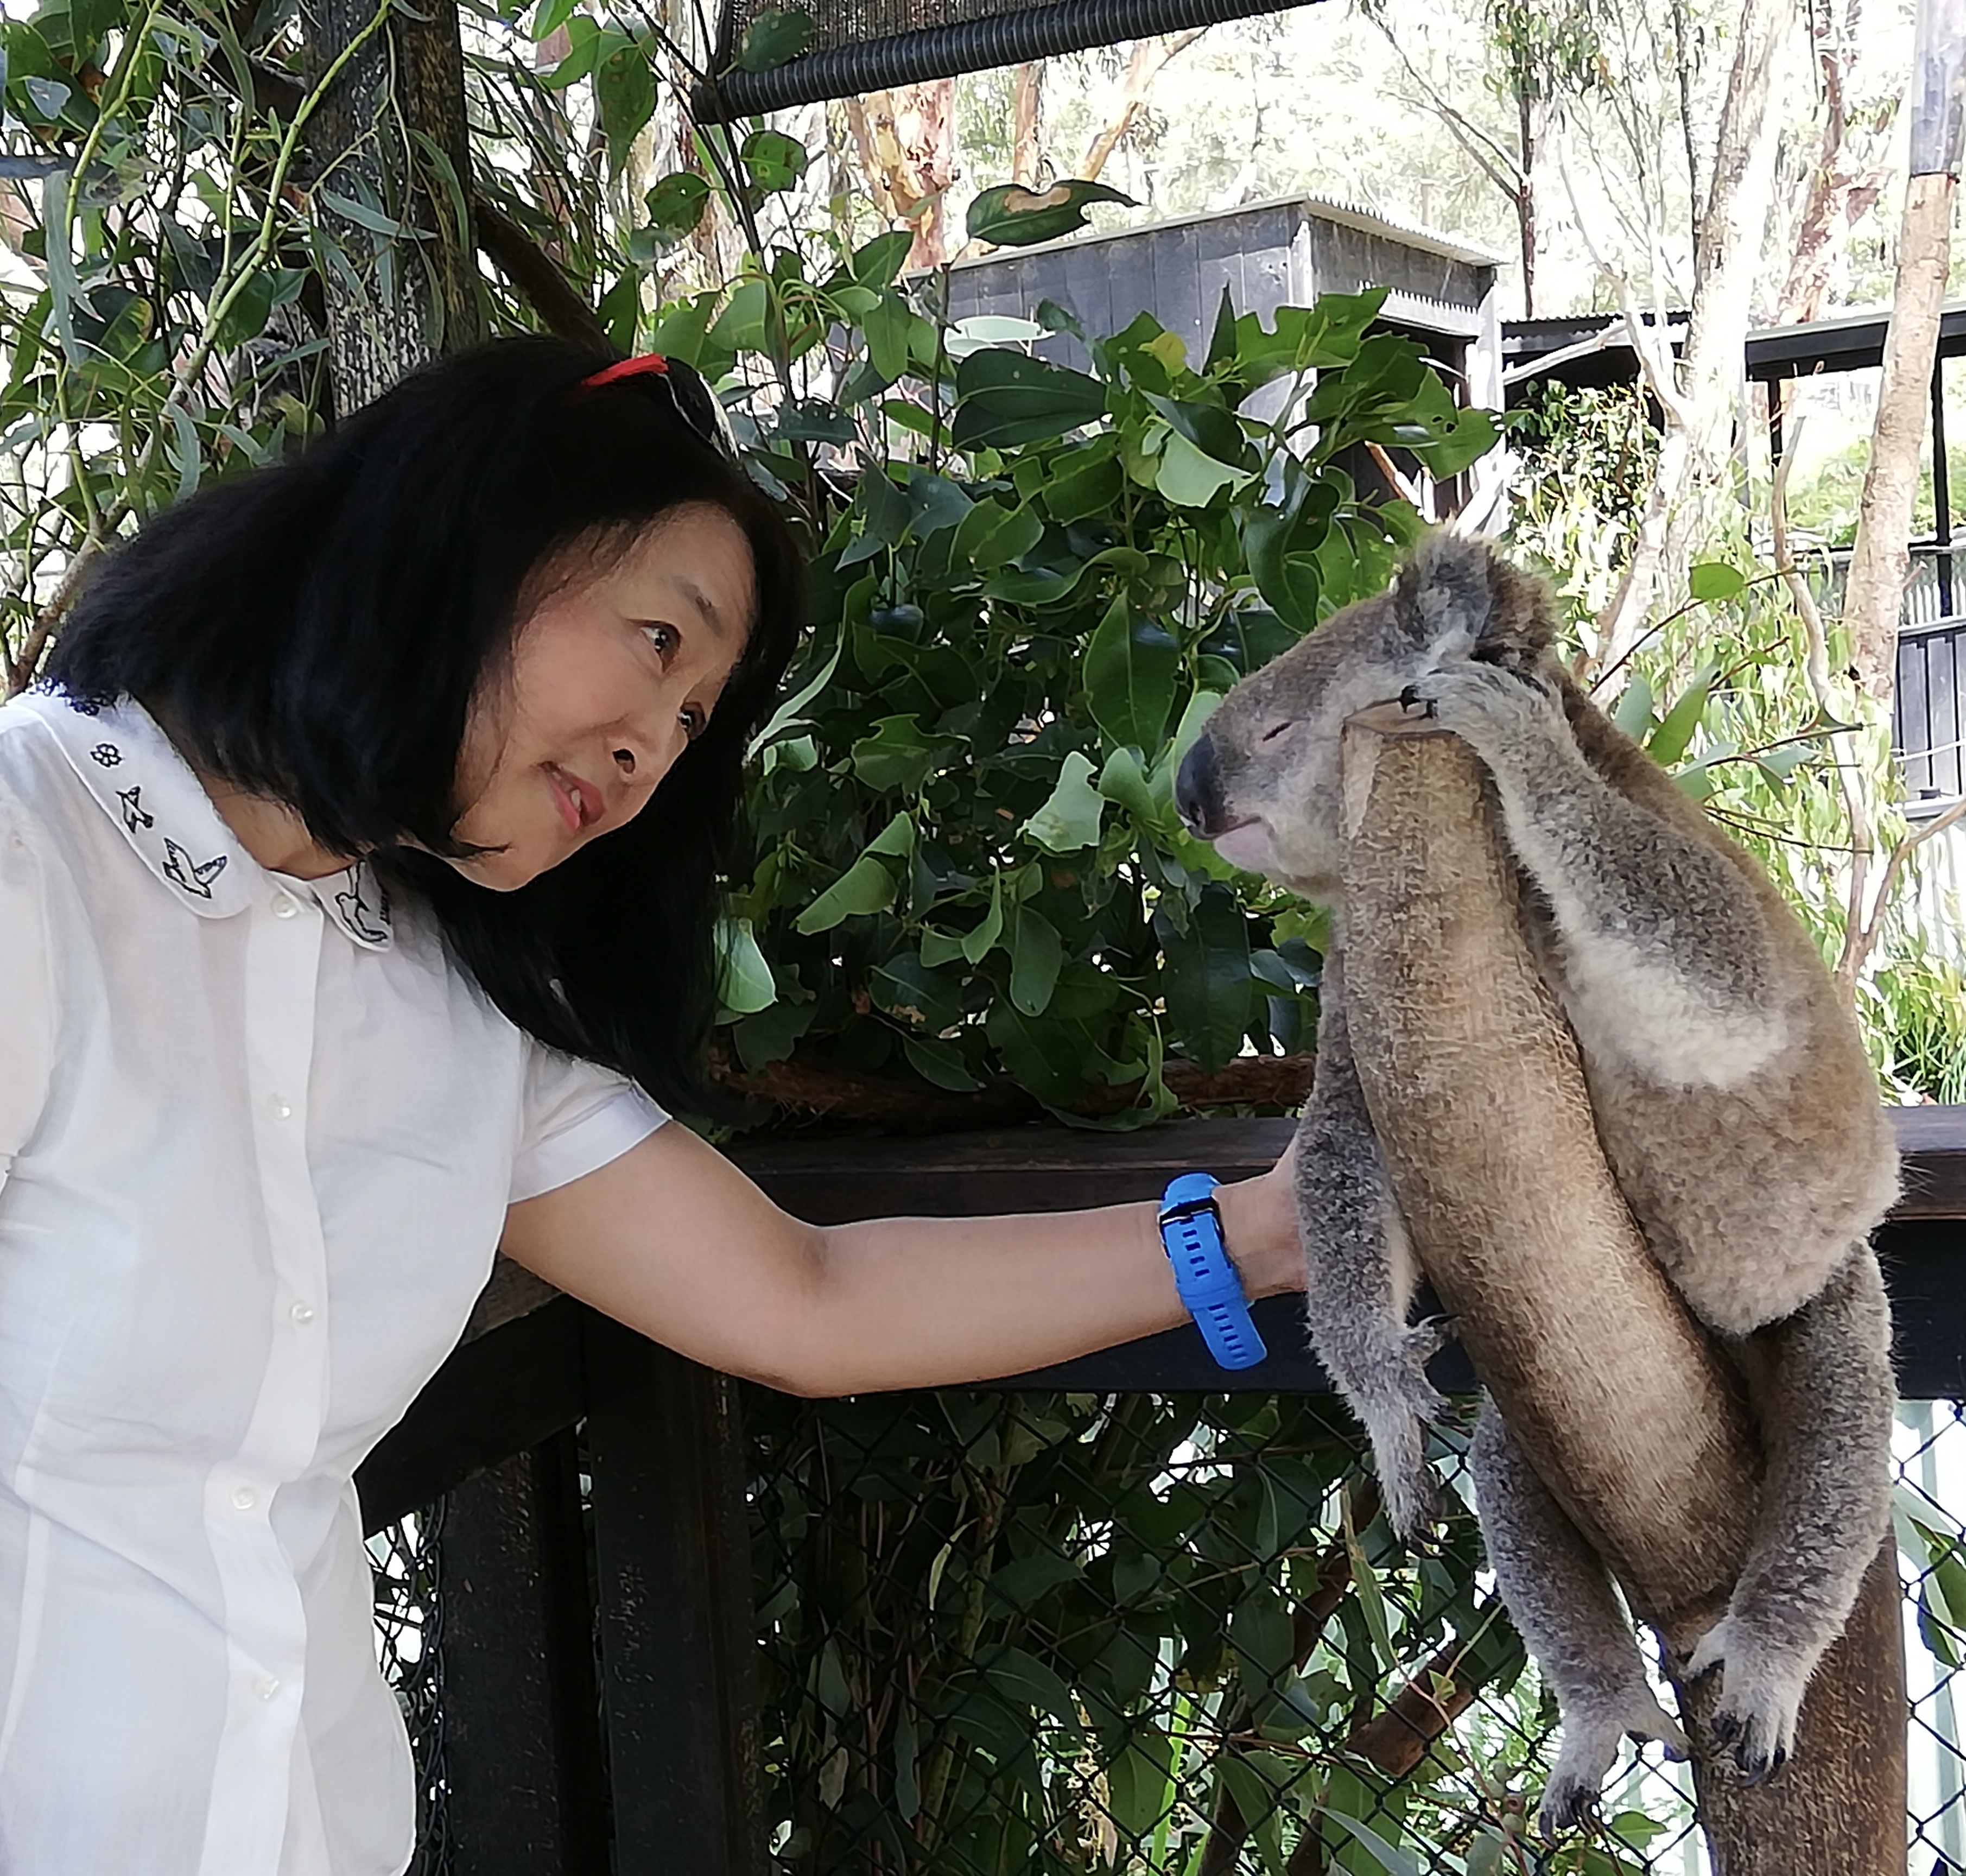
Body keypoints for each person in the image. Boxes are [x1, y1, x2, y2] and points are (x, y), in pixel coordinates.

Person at [0, 335, 1302, 1875]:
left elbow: (806, 1297)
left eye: (695, 722)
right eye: (656, 641)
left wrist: (1280, 1233)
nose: (650, 751)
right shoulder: (39, 857)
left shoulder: (441, 996)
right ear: (469, 534)